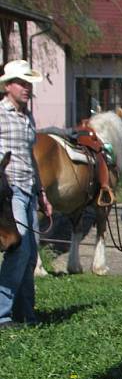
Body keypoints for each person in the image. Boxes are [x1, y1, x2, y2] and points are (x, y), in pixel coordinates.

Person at [0, 60, 52, 327]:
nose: (26, 88)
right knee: (18, 250)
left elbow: (31, 158)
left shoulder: (27, 116)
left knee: (31, 254)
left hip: (30, 190)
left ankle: (25, 313)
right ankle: (3, 313)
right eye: (21, 83)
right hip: (11, 193)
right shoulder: (0, 114)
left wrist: (42, 193)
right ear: (8, 86)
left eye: (28, 84)